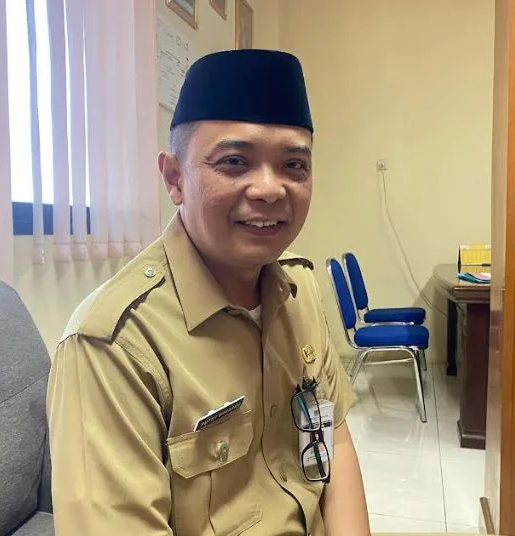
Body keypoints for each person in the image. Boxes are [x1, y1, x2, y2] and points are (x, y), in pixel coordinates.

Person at [46, 49, 371, 536]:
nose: (270, 189)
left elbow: (334, 441)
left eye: (294, 165)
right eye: (235, 162)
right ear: (174, 178)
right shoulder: (114, 348)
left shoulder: (299, 290)